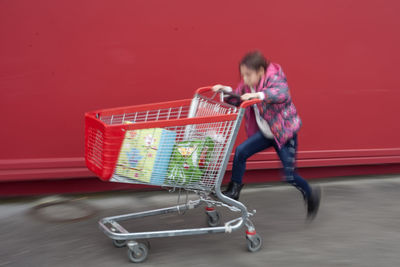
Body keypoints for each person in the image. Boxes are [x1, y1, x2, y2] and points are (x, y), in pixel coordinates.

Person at [212, 51, 321, 220]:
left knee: (289, 176)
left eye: (248, 75)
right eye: (243, 75)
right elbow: (238, 98)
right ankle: (234, 190)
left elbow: (281, 93)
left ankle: (311, 193)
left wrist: (258, 95)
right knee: (241, 151)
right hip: (266, 133)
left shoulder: (274, 77)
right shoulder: (248, 84)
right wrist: (224, 90)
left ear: (261, 71)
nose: (245, 79)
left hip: (284, 134)